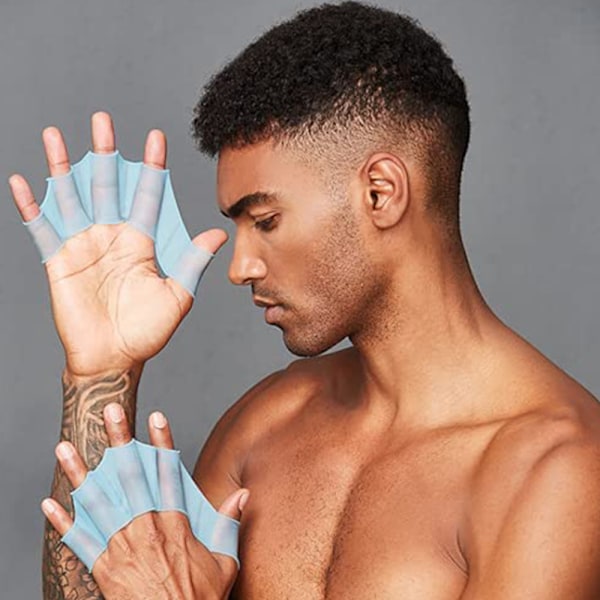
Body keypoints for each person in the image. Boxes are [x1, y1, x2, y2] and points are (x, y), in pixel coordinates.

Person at [10, 2, 600, 598]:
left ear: (380, 193)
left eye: (265, 221)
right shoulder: (267, 423)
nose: (239, 268)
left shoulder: (558, 468)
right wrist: (100, 372)